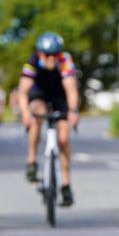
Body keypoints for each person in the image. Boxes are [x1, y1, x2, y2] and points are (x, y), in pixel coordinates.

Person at [18, 32, 80, 207]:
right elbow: (23, 92)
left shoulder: (65, 61)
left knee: (63, 138)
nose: (51, 58)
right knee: (36, 114)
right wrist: (25, 114)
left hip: (59, 95)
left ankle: (66, 185)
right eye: (47, 55)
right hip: (39, 94)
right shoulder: (32, 62)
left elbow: (72, 90)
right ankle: (31, 160)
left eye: (55, 54)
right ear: (40, 53)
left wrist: (73, 111)